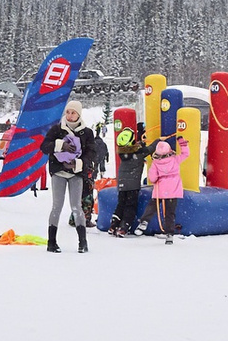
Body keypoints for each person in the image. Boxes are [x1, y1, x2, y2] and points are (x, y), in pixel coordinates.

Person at [40, 100, 95, 253]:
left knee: (77, 207)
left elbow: (91, 153)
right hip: (59, 172)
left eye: (73, 113)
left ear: (79, 114)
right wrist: (60, 145)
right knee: (56, 206)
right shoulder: (57, 129)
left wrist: (78, 163)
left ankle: (82, 242)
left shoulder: (87, 132)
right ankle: (51, 242)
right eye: (68, 112)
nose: (70, 116)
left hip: (76, 174)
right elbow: (44, 147)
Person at [138, 136, 191, 245]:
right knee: (170, 213)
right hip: (173, 190)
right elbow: (186, 154)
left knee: (152, 206)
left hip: (160, 190)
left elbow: (152, 178)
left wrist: (157, 178)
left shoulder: (156, 163)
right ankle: (169, 234)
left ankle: (144, 221)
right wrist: (183, 144)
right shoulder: (175, 159)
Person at [108, 127, 156, 236]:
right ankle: (124, 227)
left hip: (121, 182)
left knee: (121, 204)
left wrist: (140, 145)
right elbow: (151, 148)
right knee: (130, 206)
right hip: (132, 184)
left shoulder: (123, 151)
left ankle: (113, 225)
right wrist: (159, 140)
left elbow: (134, 148)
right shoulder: (139, 153)